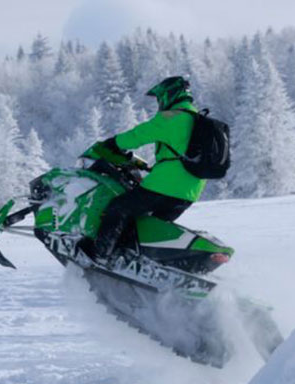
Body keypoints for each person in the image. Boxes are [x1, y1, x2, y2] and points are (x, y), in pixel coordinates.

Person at [86, 76, 206, 260]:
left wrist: (113, 143)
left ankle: (100, 255)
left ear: (169, 94)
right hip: (190, 192)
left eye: (160, 98)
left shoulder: (173, 117)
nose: (159, 103)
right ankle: (134, 259)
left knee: (118, 208)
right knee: (145, 226)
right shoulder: (197, 120)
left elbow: (139, 135)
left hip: (165, 185)